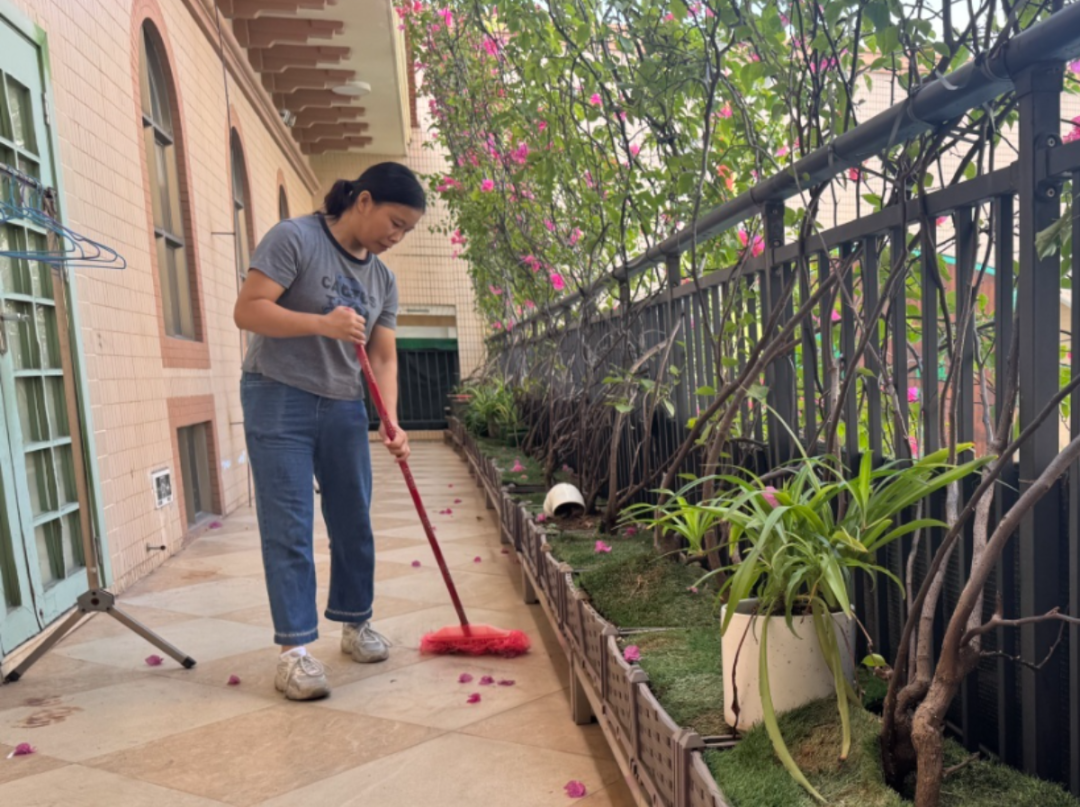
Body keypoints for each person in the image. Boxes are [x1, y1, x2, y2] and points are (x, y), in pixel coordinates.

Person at [233, 162, 425, 700]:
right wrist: (322, 324)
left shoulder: (382, 279)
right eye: (394, 222)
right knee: (289, 523)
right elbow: (248, 310)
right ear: (363, 201)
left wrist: (391, 420)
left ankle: (355, 621)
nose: (396, 236)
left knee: (352, 519)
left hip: (342, 404)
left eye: (407, 230)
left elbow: (383, 357)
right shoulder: (295, 238)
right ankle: (294, 652)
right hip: (278, 394)